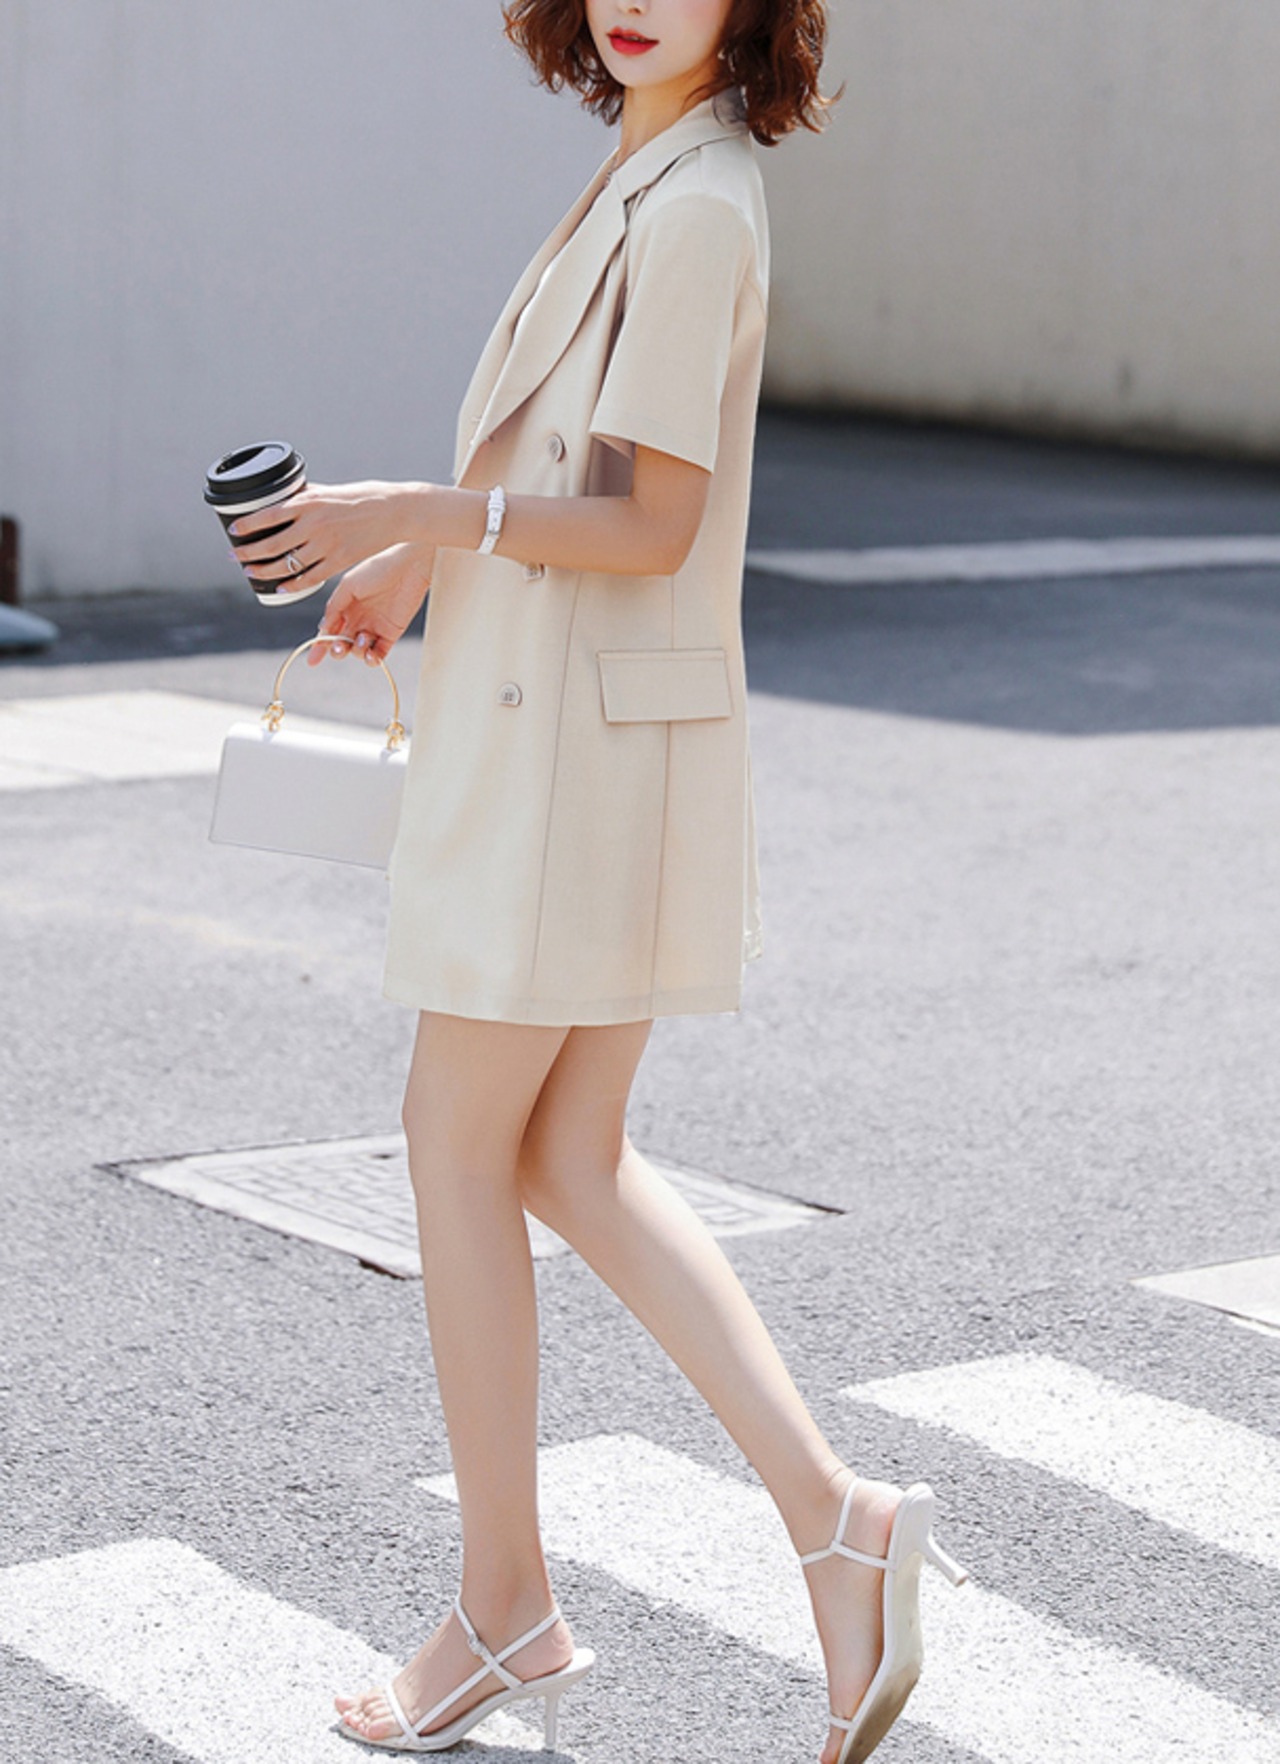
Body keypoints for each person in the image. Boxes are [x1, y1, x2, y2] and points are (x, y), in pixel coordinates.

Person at [228, 3, 967, 1758]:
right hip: (585, 739)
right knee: (565, 1152)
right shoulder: (647, 173)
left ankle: (508, 1607)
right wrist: (423, 566)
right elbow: (561, 469)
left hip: (576, 759)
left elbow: (652, 521)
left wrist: (415, 513)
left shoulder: (695, 201)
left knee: (455, 1139)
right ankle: (836, 1525)